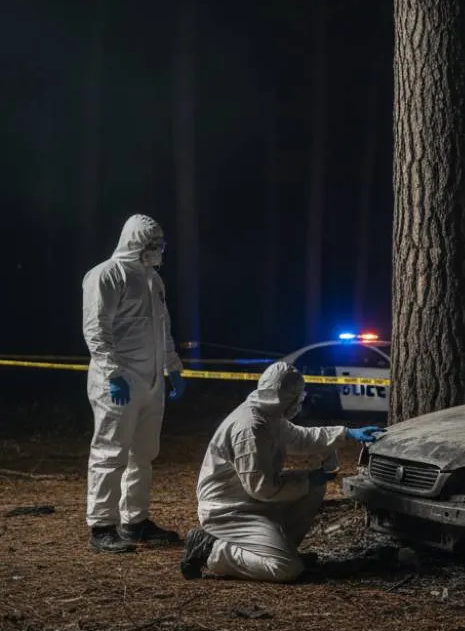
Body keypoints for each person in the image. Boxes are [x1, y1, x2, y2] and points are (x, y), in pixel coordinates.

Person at [179, 361, 385, 582]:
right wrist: (307, 481)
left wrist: (347, 433)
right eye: (297, 397)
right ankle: (212, 549)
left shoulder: (269, 416)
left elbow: (300, 438)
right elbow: (262, 489)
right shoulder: (251, 428)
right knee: (285, 568)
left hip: (246, 499)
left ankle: (278, 549)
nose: (300, 402)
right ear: (285, 397)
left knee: (313, 488)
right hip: (229, 510)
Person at [82, 214, 186, 553]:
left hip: (151, 380)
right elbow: (97, 330)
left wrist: (172, 368)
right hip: (120, 380)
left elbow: (163, 328)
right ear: (136, 243)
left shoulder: (154, 280)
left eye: (160, 245)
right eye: (151, 245)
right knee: (110, 452)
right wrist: (112, 374)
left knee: (143, 453)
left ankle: (134, 521)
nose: (157, 251)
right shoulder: (107, 275)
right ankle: (101, 526)